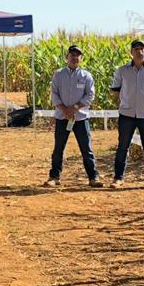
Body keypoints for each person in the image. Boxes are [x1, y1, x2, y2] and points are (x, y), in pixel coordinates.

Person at [44, 45, 103, 188]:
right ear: (66, 57)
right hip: (62, 117)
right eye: (72, 55)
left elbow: (90, 95)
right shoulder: (58, 74)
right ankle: (54, 177)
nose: (75, 58)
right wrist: (65, 110)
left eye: (78, 56)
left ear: (81, 58)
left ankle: (93, 177)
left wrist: (74, 108)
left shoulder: (86, 76)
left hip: (80, 118)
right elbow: (54, 94)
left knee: (86, 149)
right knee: (58, 148)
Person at [110, 40, 144, 189]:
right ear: (131, 52)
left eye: (142, 49)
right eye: (136, 49)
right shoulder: (122, 70)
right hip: (127, 114)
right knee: (123, 147)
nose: (139, 51)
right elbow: (115, 90)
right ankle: (118, 178)